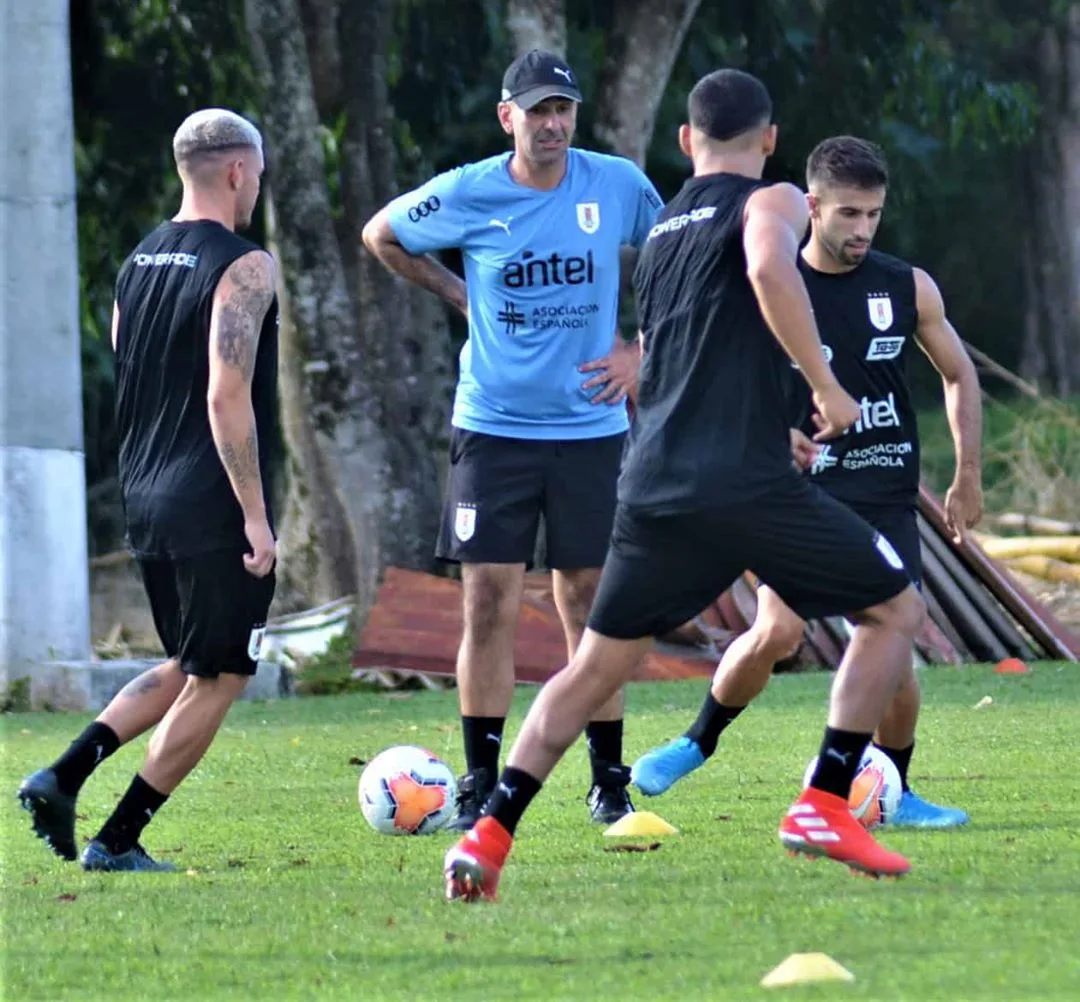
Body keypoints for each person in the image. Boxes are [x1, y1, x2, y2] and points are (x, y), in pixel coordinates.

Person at [443, 68, 929, 903]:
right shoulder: (770, 201)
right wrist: (824, 383)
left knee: (591, 670)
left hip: (653, 486)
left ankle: (488, 833)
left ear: (684, 142)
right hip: (744, 488)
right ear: (770, 140)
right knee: (896, 610)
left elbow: (687, 353)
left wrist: (766, 417)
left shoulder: (663, 228)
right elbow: (772, 274)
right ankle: (823, 799)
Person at [630, 136, 983, 828]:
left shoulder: (905, 286)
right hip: (799, 492)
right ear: (811, 206)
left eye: (873, 215)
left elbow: (958, 373)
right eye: (848, 213)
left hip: (882, 495)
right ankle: (696, 741)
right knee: (779, 629)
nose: (862, 230)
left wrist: (967, 473)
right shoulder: (770, 282)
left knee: (896, 660)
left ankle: (896, 790)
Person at [362, 50, 664, 828]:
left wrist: (641, 350)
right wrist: (458, 292)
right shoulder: (470, 191)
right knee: (488, 601)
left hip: (592, 429)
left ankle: (607, 778)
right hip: (493, 430)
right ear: (509, 118)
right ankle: (478, 783)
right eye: (537, 111)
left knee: (589, 602)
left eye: (563, 109)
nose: (553, 124)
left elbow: (679, 261)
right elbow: (381, 235)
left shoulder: (617, 184)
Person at [17, 108, 280, 872]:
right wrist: (256, 517)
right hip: (210, 501)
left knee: (192, 664)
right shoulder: (244, 265)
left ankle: (60, 778)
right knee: (224, 674)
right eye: (256, 174)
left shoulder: (136, 265)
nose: (256, 186)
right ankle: (118, 839)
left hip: (145, 493)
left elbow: (132, 363)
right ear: (237, 171)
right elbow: (225, 395)